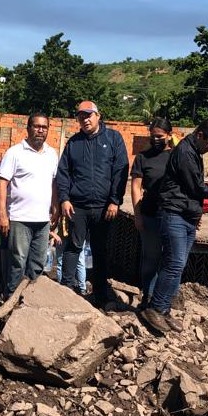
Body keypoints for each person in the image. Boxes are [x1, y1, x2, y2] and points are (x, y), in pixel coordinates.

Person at [141, 117, 208, 334]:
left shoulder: (193, 152)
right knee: (174, 263)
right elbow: (196, 188)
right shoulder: (186, 153)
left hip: (186, 215)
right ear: (200, 135)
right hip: (174, 214)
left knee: (178, 265)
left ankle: (164, 308)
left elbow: (193, 188)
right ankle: (154, 308)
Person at [56, 100, 129, 306]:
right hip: (77, 206)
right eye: (81, 116)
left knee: (100, 250)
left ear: (98, 116)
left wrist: (115, 200)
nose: (85, 119)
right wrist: (64, 199)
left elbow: (120, 170)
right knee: (73, 247)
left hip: (104, 207)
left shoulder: (113, 139)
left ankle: (100, 295)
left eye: (89, 115)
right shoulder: (74, 143)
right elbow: (63, 173)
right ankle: (66, 291)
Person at [0, 112, 59, 297]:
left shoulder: (52, 154)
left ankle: (29, 303)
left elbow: (54, 184)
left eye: (44, 127)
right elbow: (2, 184)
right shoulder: (15, 153)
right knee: (17, 262)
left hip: (42, 220)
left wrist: (55, 207)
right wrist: (1, 215)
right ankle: (10, 302)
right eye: (37, 126)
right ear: (28, 128)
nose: (40, 130)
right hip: (19, 218)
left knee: (38, 264)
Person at [131, 117, 175, 308]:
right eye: (153, 136)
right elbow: (136, 187)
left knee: (171, 261)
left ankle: (163, 301)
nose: (156, 139)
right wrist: (137, 215)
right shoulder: (143, 158)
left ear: (169, 136)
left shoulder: (176, 157)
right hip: (150, 215)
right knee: (150, 258)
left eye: (160, 136)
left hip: (173, 216)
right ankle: (147, 297)